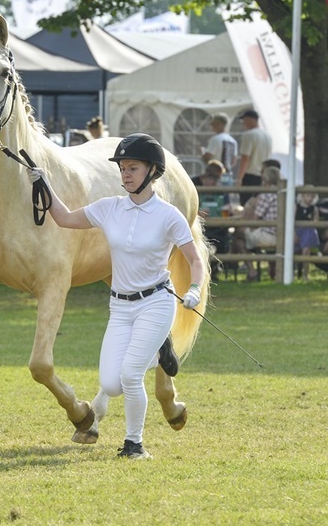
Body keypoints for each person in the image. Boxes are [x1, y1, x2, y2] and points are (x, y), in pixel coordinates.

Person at [26, 133, 206, 460]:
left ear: (153, 171)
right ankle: (158, 352)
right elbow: (64, 218)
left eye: (132, 168)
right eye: (122, 168)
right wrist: (44, 184)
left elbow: (194, 259)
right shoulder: (109, 208)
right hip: (120, 307)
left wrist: (193, 289)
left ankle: (135, 444)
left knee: (130, 376)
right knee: (111, 385)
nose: (125, 174)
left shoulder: (169, 216)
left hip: (156, 302)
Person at [235, 109, 271, 201]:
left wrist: (239, 178)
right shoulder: (268, 136)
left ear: (251, 120)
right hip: (263, 176)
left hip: (250, 175)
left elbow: (245, 159)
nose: (243, 123)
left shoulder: (248, 135)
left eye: (244, 120)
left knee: (246, 203)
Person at [205, 113, 238, 181]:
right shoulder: (233, 141)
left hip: (214, 176)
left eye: (213, 123)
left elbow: (207, 157)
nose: (212, 126)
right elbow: (234, 161)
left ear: (219, 123)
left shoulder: (215, 139)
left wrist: (203, 154)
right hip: (228, 176)